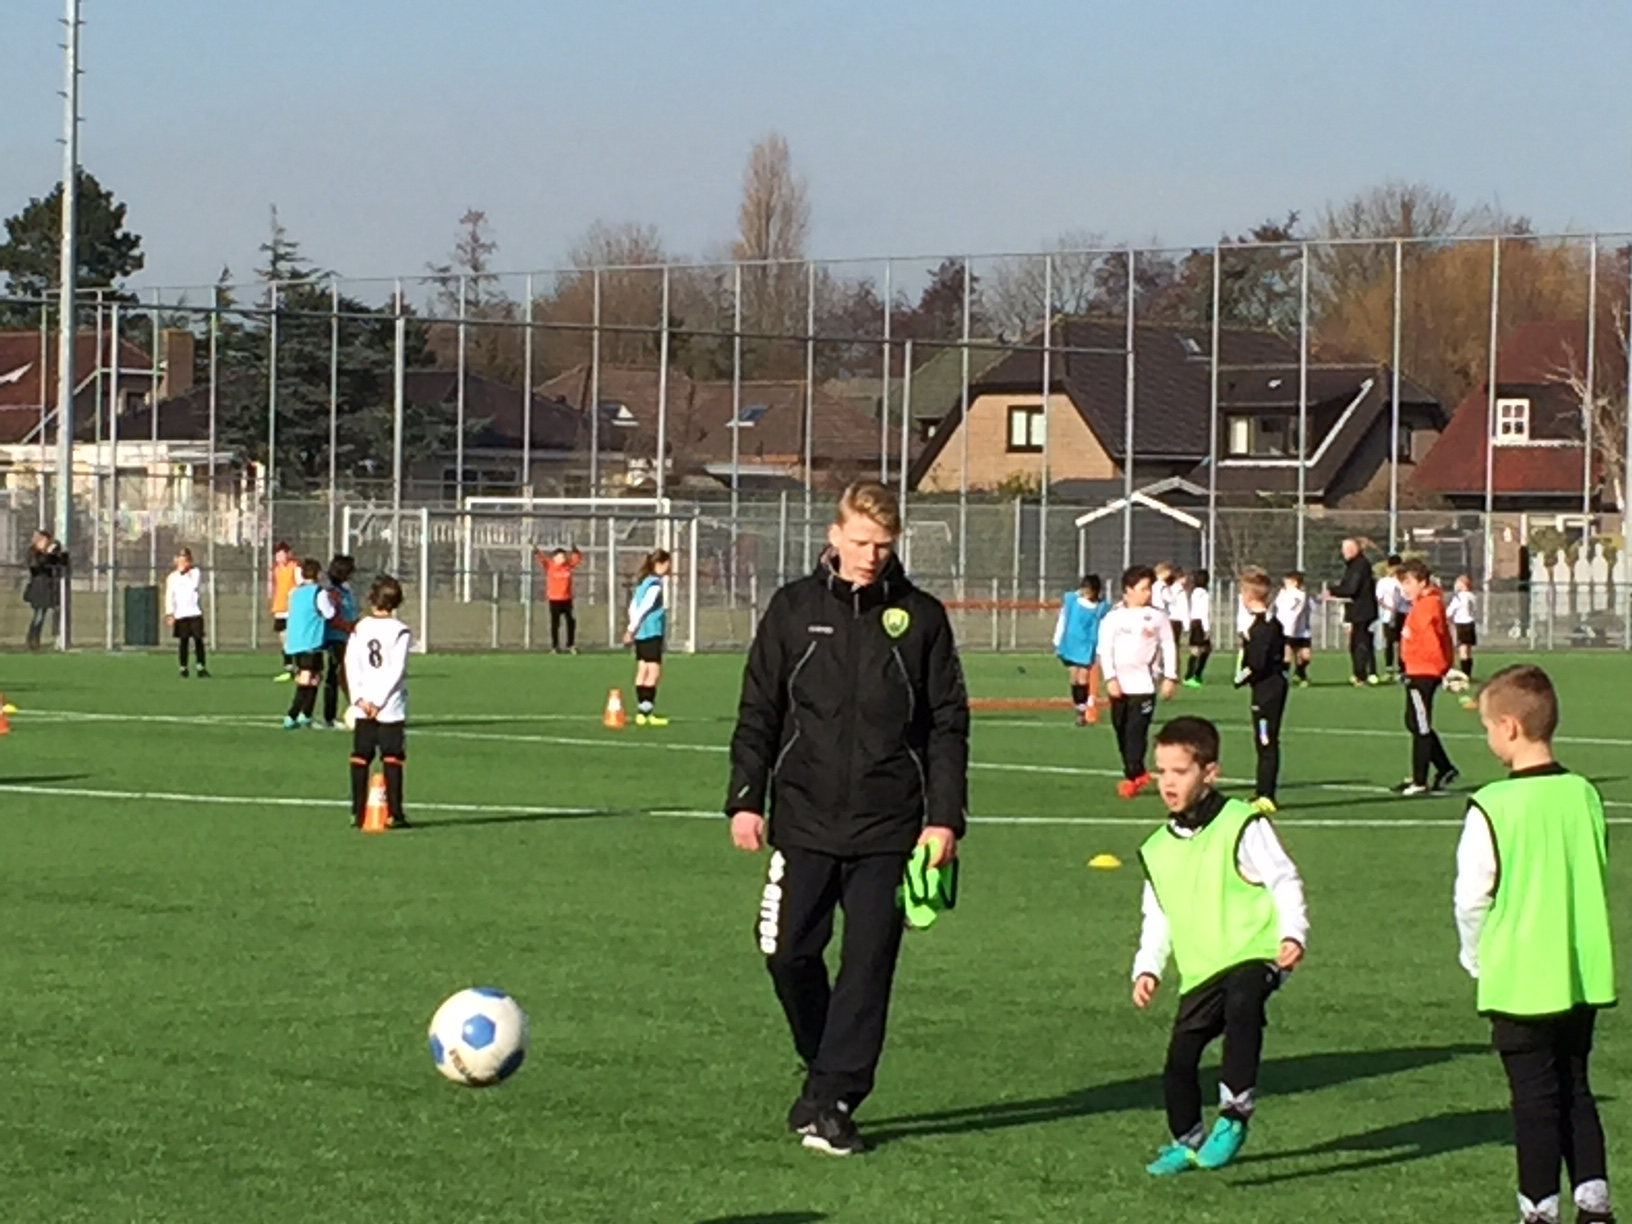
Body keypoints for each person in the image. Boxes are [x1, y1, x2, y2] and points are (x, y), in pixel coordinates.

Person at [726, 481, 969, 1157]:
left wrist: (944, 817)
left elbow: (947, 722)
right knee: (786, 952)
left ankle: (834, 1099)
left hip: (890, 826)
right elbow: (759, 711)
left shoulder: (920, 617)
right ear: (834, 536)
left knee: (867, 966)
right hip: (801, 818)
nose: (871, 557)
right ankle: (823, 1067)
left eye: (884, 546)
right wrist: (746, 797)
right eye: (861, 543)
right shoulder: (793, 610)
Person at [1455, 665, 1616, 1224]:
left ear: (1510, 728)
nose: (1487, 739)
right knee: (1576, 1089)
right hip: (1578, 971)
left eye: (1487, 728)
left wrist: (1475, 956)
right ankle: (1595, 1208)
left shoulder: (1491, 805)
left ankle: (1539, 1212)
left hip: (1520, 974)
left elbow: (1472, 898)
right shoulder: (1585, 795)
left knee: (1533, 1103)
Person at [1132, 716, 1307, 1177]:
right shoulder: (1156, 848)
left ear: (1210, 773)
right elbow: (1158, 914)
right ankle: (1185, 1141)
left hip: (1256, 950)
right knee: (1179, 1061)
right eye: (1161, 771)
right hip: (1202, 967)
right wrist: (1147, 967)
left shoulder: (1242, 824)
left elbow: (1284, 879)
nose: (1168, 783)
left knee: (1244, 999)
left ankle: (1235, 1112)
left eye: (1180, 771)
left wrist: (1293, 933)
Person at [1096, 565, 1178, 799]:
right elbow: (1105, 650)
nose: (1148, 593)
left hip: (1144, 686)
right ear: (1128, 590)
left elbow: (1168, 645)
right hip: (1119, 685)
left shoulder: (1158, 617)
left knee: (1135, 732)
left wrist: (1170, 677)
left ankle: (1132, 776)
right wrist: (1110, 678)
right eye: (1143, 588)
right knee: (1121, 730)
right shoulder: (1113, 617)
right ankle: (1136, 771)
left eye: (1149, 588)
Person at [346, 575, 413, 830]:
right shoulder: (400, 631)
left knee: (360, 755)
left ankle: (357, 811)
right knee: (392, 756)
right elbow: (396, 670)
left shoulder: (360, 627)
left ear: (372, 599)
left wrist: (359, 699)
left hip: (364, 704)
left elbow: (351, 664)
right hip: (390, 706)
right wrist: (380, 701)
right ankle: (395, 813)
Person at [1395, 558, 1459, 796]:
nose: (1405, 588)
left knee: (1420, 725)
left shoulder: (1428, 605)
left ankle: (1420, 780)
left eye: (1409, 582)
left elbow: (1433, 641)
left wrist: (1442, 670)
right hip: (1416, 670)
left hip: (1424, 672)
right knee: (1414, 722)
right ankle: (1444, 768)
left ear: (1422, 582)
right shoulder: (1422, 604)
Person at [1234, 569, 1287, 814]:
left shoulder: (1262, 627)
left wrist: (1240, 677)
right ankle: (1261, 791)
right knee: (1263, 740)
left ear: (1248, 595)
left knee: (1266, 740)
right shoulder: (1268, 623)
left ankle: (1267, 795)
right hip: (1269, 687)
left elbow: (1257, 663)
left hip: (1268, 691)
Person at [282, 559, 336, 730]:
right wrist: (334, 603)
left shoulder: (294, 592)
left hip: (296, 641)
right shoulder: (319, 593)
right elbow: (329, 613)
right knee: (307, 677)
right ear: (318, 574)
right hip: (310, 641)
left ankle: (306, 713)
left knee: (315, 677)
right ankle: (292, 714)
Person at [623, 550, 671, 727]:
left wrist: (633, 627)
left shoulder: (643, 582)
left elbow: (633, 606)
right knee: (653, 672)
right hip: (651, 632)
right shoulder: (654, 585)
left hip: (642, 633)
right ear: (660, 564)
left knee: (642, 670)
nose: (669, 567)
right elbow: (644, 607)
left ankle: (642, 713)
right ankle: (646, 711)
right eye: (667, 563)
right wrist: (631, 628)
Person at [1053, 573, 1108, 726]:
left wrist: (1101, 649)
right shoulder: (1072, 601)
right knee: (1073, 677)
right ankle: (1078, 707)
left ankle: (1082, 711)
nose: (1086, 593)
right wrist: (1057, 640)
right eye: (1084, 589)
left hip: (1086, 646)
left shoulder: (1100, 607)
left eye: (1089, 590)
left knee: (1083, 677)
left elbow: (1104, 626)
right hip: (1071, 643)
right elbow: (1063, 618)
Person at [1326, 538, 1379, 686]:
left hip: (1362, 611)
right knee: (1363, 642)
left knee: (1359, 643)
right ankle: (1369, 673)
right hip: (1360, 610)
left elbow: (1351, 588)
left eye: (1345, 549)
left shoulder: (1359, 566)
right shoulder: (1355, 565)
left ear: (1353, 550)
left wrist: (1332, 591)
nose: (1343, 552)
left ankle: (1362, 674)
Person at [322, 556, 359, 729]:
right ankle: (330, 717)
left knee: (345, 675)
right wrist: (348, 627)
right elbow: (332, 618)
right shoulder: (332, 592)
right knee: (336, 675)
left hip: (347, 638)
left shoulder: (346, 591)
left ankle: (353, 707)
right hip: (336, 638)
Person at [164, 548, 209, 678]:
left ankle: (201, 667)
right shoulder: (172, 577)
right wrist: (169, 613)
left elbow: (193, 585)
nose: (184, 561)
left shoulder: (195, 573)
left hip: (194, 612)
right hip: (180, 614)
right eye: (181, 558)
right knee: (183, 641)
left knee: (198, 640)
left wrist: (186, 571)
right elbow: (169, 595)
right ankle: (183, 668)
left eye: (186, 559)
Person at [23, 530, 67, 651]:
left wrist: (59, 552)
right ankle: (32, 639)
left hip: (50, 588)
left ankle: (56, 638)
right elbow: (36, 567)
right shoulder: (33, 553)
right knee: (39, 615)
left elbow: (62, 563)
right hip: (39, 588)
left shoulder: (51, 554)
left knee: (48, 614)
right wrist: (47, 554)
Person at [535, 545, 584, 654]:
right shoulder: (550, 566)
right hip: (554, 599)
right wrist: (536, 550)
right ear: (555, 558)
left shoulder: (568, 566)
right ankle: (554, 646)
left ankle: (570, 645)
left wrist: (575, 550)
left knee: (571, 622)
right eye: (560, 556)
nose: (563, 558)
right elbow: (541, 559)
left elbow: (577, 559)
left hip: (567, 599)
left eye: (564, 556)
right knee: (555, 623)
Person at [1274, 571, 1313, 687]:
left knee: (1305, 656)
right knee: (1287, 656)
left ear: (1295, 583)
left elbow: (1293, 612)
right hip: (1287, 630)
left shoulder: (1300, 595)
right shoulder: (1282, 593)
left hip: (1301, 630)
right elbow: (1279, 609)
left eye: (1288, 581)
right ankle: (1283, 677)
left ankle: (1300, 672)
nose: (1285, 583)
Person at [268, 542, 300, 681]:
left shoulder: (296, 567)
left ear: (288, 553)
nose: (279, 557)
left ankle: (299, 667)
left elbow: (300, 585)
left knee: (294, 640)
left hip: (292, 609)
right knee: (283, 640)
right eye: (277, 554)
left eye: (282, 554)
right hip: (280, 609)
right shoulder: (275, 569)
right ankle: (288, 668)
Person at [1375, 554, 1408, 680]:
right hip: (1388, 615)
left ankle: (1402, 668)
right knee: (1389, 641)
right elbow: (1379, 598)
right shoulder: (1383, 582)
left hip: (1403, 613)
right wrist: (1388, 608)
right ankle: (1389, 668)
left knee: (1402, 642)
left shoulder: (1404, 581)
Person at [1182, 569, 1213, 688]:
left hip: (1194, 622)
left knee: (1200, 650)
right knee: (1203, 650)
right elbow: (1204, 612)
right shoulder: (1204, 594)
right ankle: (1192, 676)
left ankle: (1192, 675)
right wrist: (1207, 629)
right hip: (1200, 623)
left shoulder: (1194, 592)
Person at [1449, 573, 1478, 680]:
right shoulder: (1472, 596)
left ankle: (1464, 674)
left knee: (1463, 650)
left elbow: (1450, 612)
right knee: (1469, 650)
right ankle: (1468, 673)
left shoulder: (1459, 597)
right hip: (1471, 623)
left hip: (1462, 624)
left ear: (1462, 584)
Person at [1165, 567, 1190, 661]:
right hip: (1177, 621)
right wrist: (1187, 625)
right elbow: (1184, 608)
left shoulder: (1168, 588)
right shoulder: (1180, 590)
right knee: (1175, 647)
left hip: (1168, 619)